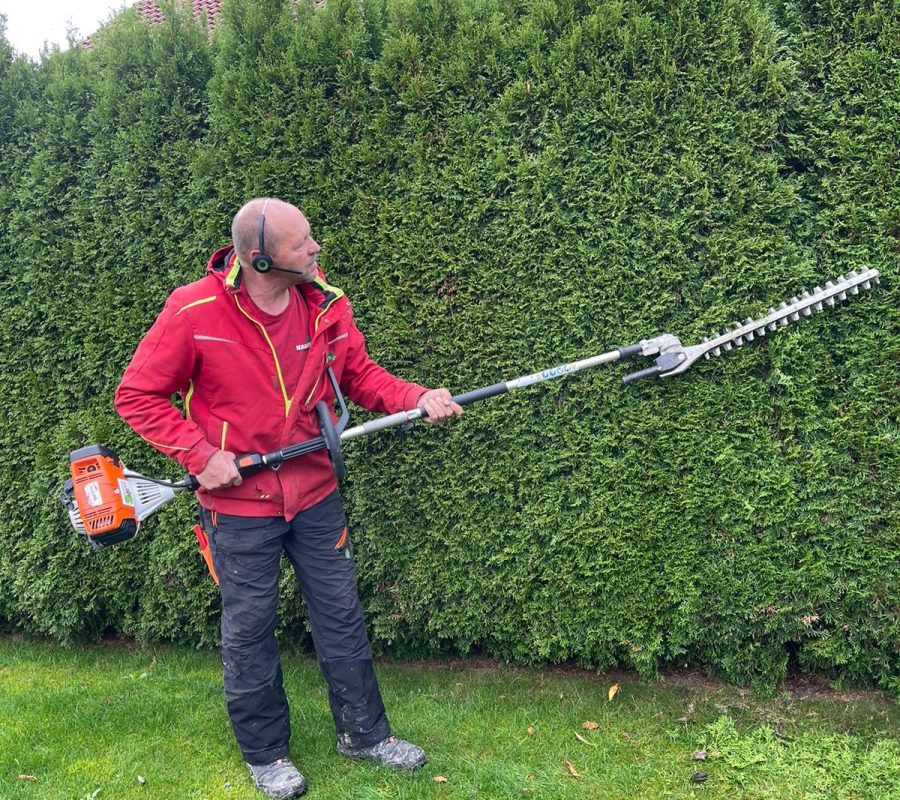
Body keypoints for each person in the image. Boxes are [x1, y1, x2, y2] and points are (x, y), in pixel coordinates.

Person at [115, 198, 463, 798]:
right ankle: (266, 753)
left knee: (342, 615)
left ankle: (366, 735)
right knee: (249, 630)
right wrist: (201, 456)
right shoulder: (193, 309)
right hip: (239, 507)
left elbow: (361, 378)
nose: (315, 249)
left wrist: (417, 396)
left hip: (314, 491)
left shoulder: (325, 303)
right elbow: (138, 395)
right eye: (303, 243)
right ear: (259, 258)